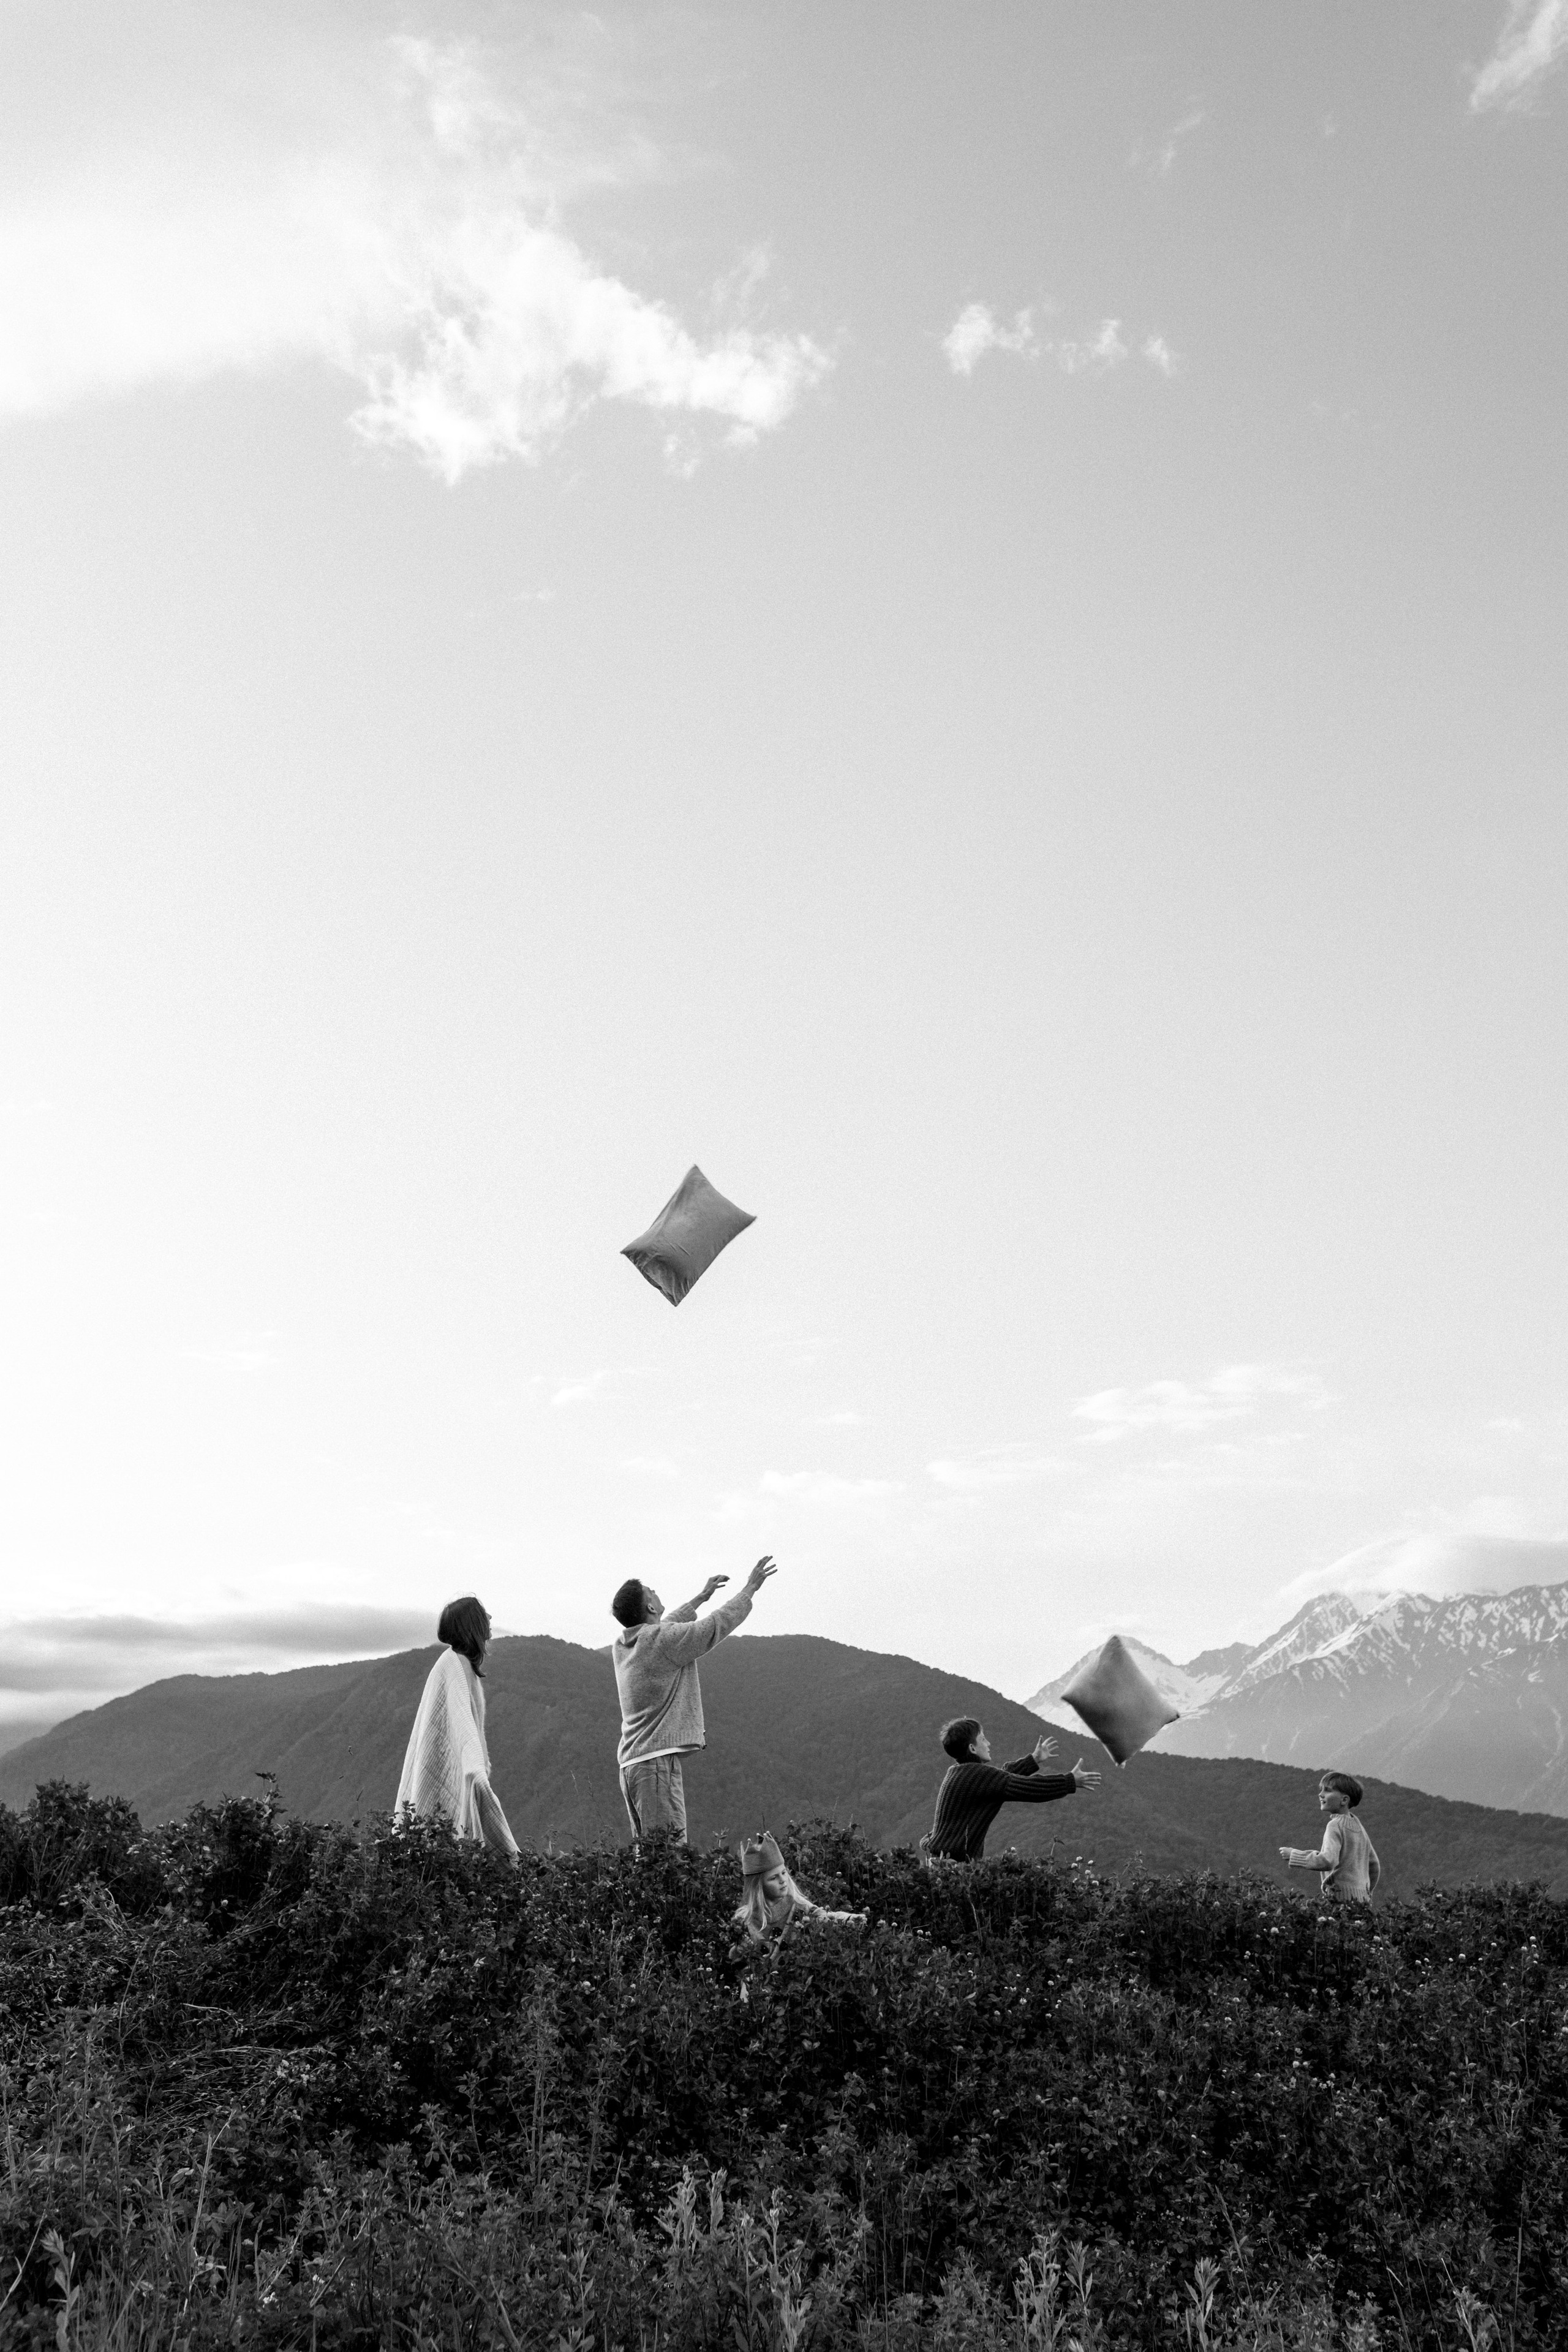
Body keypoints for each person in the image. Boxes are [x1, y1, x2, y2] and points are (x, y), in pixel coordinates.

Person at [611, 1556, 777, 1843]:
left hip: (633, 1766)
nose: (657, 1593)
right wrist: (750, 1589)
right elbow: (715, 1625)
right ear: (650, 1607)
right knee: (669, 1858)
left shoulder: (625, 1644)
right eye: (653, 1592)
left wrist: (701, 1598)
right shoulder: (663, 1641)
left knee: (650, 1860)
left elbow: (667, 1626)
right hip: (656, 1766)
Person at [394, 1596, 519, 1860]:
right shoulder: (455, 1666)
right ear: (472, 1625)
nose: (490, 1619)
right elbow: (462, 1728)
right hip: (462, 1772)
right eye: (484, 1614)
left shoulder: (455, 1663)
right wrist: (476, 1773)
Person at [923, 1716, 1099, 1861]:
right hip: (953, 1865)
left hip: (942, 1859)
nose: (989, 1743)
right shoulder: (977, 1775)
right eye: (983, 1739)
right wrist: (1070, 1781)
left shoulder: (960, 1773)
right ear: (973, 1748)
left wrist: (1033, 1760)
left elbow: (1000, 1780)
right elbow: (1029, 1788)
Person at [731, 1831, 867, 1943]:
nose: (783, 1880)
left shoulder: (798, 1906)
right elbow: (738, 1960)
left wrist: (849, 1919)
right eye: (774, 1878)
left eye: (784, 1873)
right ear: (758, 1887)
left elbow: (823, 1917)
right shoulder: (745, 1919)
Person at [1280, 1771, 1381, 1902]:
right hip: (1363, 1899)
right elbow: (1374, 1865)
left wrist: (1294, 1855)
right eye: (1322, 1790)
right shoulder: (1358, 1826)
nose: (1321, 1794)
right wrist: (1366, 1892)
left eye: (1327, 1790)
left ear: (1344, 1800)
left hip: (1339, 1898)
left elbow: (1328, 1861)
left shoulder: (1335, 1825)